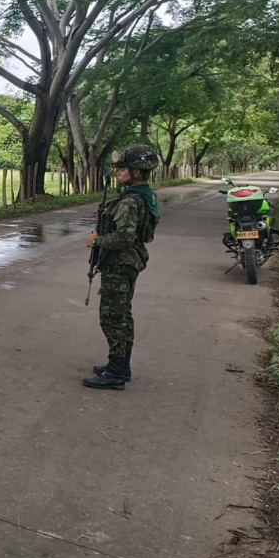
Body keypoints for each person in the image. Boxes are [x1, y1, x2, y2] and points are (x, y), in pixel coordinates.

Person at [83, 144, 160, 390]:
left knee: (113, 317)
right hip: (130, 261)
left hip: (120, 263)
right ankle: (119, 365)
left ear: (137, 172)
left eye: (123, 169)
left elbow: (124, 238)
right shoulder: (144, 195)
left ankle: (116, 372)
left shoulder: (130, 201)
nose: (118, 173)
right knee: (123, 315)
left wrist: (97, 241)